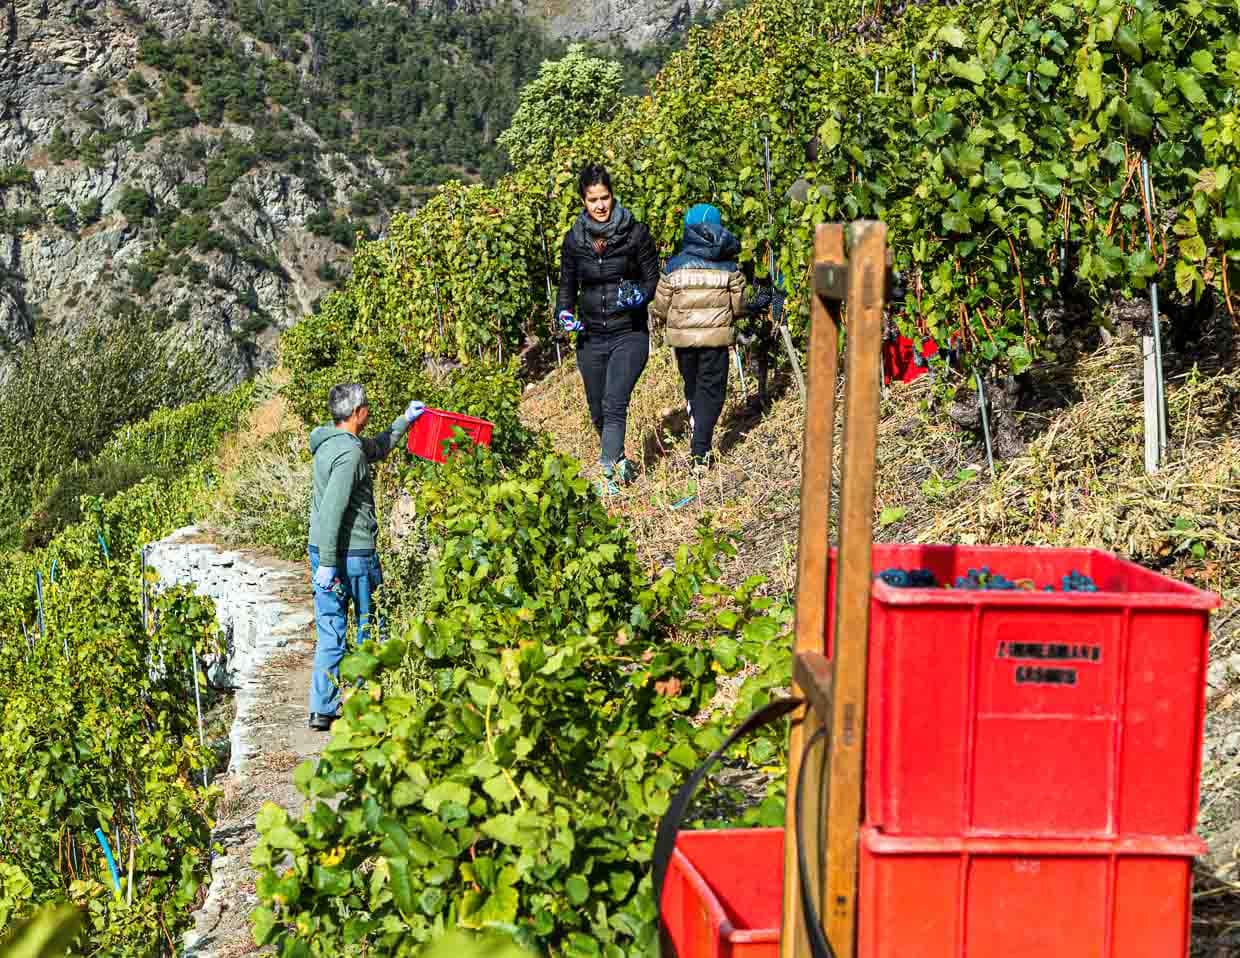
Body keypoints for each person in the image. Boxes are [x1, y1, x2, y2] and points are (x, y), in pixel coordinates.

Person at [306, 384, 425, 731]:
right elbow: (332, 511)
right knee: (370, 627)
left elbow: (377, 447)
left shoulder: (333, 443)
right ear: (358, 413)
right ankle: (362, 704)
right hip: (351, 555)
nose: (369, 411)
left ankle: (322, 708)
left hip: (324, 552)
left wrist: (404, 420)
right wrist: (330, 562)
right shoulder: (349, 455)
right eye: (367, 407)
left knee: (330, 629)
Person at [555, 163, 659, 494]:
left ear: (612, 196)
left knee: (615, 402)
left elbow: (652, 277)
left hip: (628, 331)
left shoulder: (635, 233)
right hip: (590, 335)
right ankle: (618, 460)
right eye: (592, 200)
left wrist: (640, 294)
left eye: (605, 198)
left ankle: (608, 475)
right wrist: (563, 313)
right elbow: (567, 286)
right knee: (598, 407)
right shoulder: (574, 241)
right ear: (583, 202)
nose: (600, 206)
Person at [650, 203, 751, 469]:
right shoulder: (729, 267)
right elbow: (740, 306)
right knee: (713, 391)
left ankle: (697, 422)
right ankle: (701, 450)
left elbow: (660, 307)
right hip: (716, 340)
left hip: (683, 342)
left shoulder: (673, 267)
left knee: (693, 384)